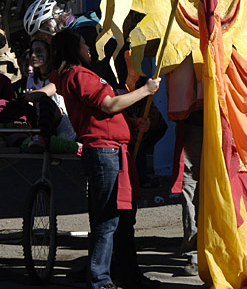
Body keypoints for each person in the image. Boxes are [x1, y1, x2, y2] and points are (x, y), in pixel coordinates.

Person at [50, 28, 161, 289]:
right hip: (104, 152)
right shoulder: (79, 75)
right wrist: (146, 90)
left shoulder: (70, 75)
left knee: (122, 218)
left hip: (110, 151)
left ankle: (127, 275)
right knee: (109, 217)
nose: (88, 48)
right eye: (82, 44)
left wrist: (132, 122)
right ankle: (101, 279)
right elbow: (109, 105)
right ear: (72, 49)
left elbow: (103, 112)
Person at [24, 38, 77, 146]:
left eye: (39, 51)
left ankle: (42, 138)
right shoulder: (31, 77)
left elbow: (41, 94)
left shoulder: (58, 75)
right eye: (32, 51)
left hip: (64, 127)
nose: (33, 55)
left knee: (45, 100)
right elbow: (29, 100)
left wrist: (29, 95)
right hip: (40, 123)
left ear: (49, 53)